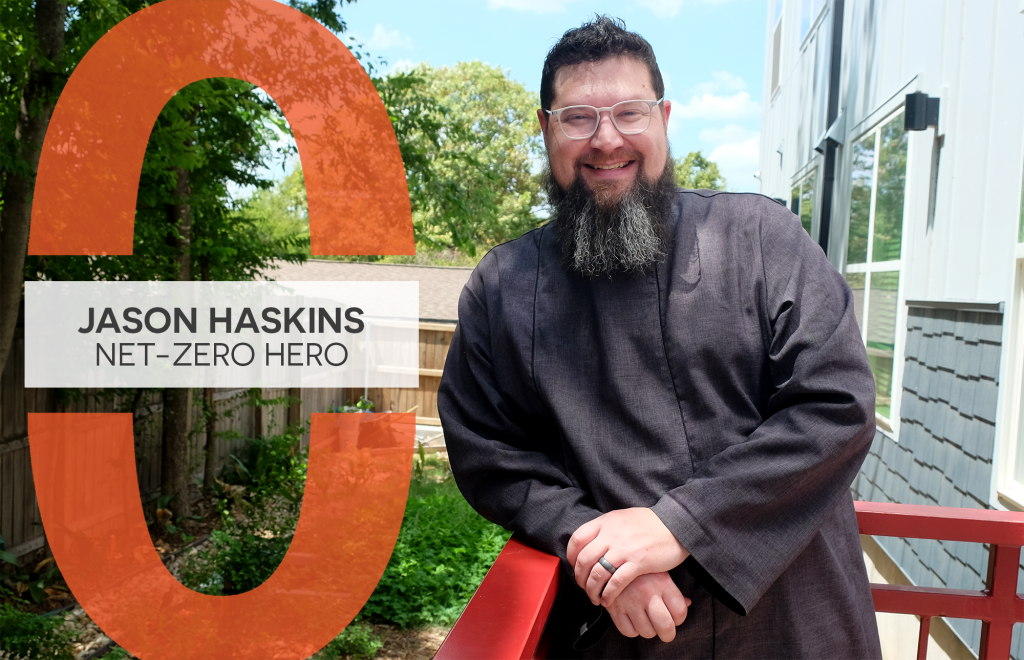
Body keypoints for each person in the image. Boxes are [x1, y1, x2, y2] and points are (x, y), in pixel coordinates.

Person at [437, 15, 882, 659]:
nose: (606, 139)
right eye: (578, 117)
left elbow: (835, 404)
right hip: (619, 631)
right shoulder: (504, 284)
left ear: (665, 118)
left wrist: (678, 524)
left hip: (793, 620)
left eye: (629, 112)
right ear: (546, 128)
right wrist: (595, 545)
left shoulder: (762, 238)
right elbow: (487, 451)